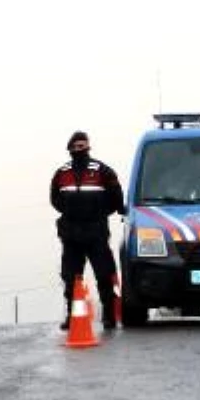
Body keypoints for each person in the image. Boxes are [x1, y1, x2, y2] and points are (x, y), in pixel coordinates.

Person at [50, 130, 125, 330]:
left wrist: (100, 213)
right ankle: (73, 316)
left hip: (96, 233)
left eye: (82, 146)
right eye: (75, 147)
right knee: (71, 278)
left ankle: (109, 315)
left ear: (88, 146)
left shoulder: (102, 170)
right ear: (69, 149)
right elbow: (55, 200)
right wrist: (72, 213)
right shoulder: (61, 173)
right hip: (71, 234)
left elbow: (116, 197)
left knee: (104, 274)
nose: (78, 149)